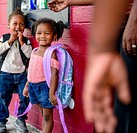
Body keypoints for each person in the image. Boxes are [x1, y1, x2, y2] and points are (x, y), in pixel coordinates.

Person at [48, 0, 136, 133]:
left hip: (132, 22)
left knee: (127, 94)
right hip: (118, 22)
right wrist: (68, 2)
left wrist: (134, 22)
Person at [23, 18, 65, 133]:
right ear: (34, 34)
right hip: (33, 86)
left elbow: (54, 74)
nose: (42, 36)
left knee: (47, 116)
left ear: (54, 35)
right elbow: (31, 70)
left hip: (44, 88)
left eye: (47, 33)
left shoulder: (51, 53)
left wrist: (51, 93)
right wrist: (27, 86)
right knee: (43, 114)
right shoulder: (35, 51)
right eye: (39, 33)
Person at [0, 8, 32, 133]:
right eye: (14, 24)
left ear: (24, 27)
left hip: (21, 74)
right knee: (4, 98)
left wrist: (22, 42)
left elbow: (29, 55)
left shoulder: (26, 41)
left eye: (21, 24)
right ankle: (1, 121)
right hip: (6, 73)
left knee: (25, 97)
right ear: (9, 25)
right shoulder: (4, 37)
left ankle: (20, 120)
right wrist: (10, 41)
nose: (18, 27)